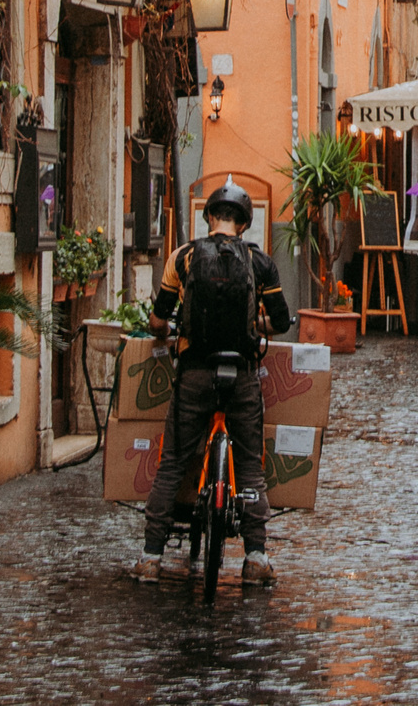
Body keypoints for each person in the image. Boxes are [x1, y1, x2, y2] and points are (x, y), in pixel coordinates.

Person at [136, 179, 293, 586]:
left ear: (209, 218)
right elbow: (279, 321)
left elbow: (158, 319)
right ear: (244, 225)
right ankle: (256, 558)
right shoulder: (261, 263)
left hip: (194, 371)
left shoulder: (183, 257)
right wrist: (253, 322)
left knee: (172, 462)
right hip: (240, 374)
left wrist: (164, 329)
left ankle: (151, 558)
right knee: (250, 467)